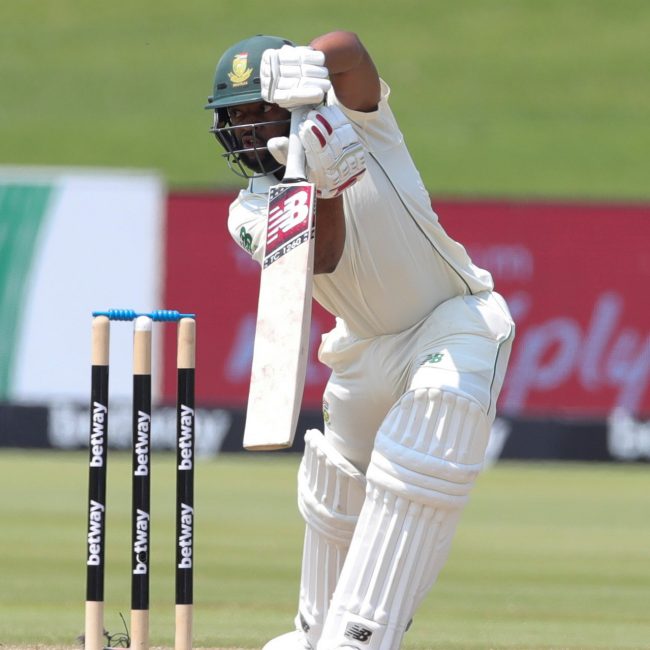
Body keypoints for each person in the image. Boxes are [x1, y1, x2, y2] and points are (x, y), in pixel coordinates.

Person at [205, 31, 515, 650]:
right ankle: (315, 632)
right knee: (334, 479)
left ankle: (360, 637)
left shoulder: (362, 125)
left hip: (451, 320)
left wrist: (312, 62)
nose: (244, 130)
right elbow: (321, 256)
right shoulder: (248, 210)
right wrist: (324, 184)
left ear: (290, 101)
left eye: (255, 110)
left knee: (428, 437)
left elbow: (351, 51)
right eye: (233, 118)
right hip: (360, 348)